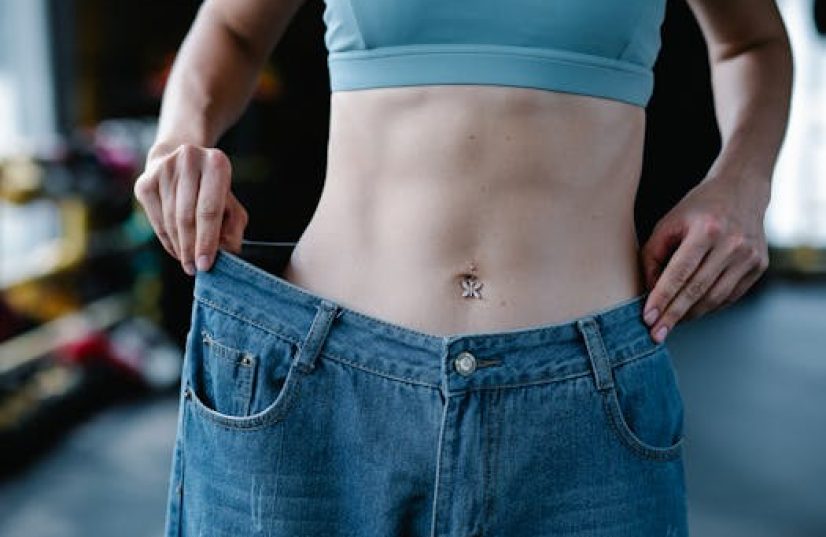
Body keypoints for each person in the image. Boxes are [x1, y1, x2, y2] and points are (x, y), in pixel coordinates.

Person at [133, 0, 792, 535]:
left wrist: (743, 182)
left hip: (583, 407)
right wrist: (177, 140)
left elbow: (752, 42)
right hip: (319, 393)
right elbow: (230, 28)